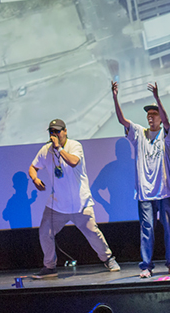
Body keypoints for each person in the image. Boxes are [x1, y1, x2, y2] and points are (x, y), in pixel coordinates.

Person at [28, 119, 120, 278]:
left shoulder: (75, 146)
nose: (54, 134)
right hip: (57, 205)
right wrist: (35, 179)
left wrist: (59, 148)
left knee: (93, 233)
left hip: (80, 203)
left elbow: (73, 162)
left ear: (65, 131)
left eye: (57, 131)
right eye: (52, 131)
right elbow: (33, 167)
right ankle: (49, 267)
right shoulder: (45, 150)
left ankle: (108, 258)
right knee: (44, 232)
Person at [111, 81, 170, 278]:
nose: (151, 118)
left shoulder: (166, 134)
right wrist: (115, 97)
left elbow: (167, 122)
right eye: (148, 115)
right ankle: (146, 266)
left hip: (165, 190)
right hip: (145, 193)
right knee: (147, 230)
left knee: (169, 229)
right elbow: (122, 120)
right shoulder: (139, 134)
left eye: (154, 114)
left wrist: (158, 98)